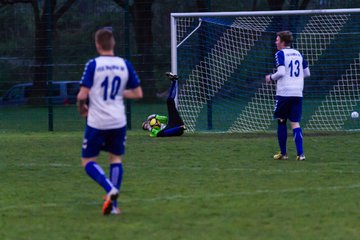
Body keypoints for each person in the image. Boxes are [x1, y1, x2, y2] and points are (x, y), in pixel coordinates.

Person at [77, 27, 143, 215]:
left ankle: (109, 189)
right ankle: (113, 206)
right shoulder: (124, 64)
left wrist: (82, 107)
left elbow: (83, 94)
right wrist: (119, 93)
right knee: (115, 158)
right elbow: (138, 94)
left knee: (88, 160)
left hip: (97, 121)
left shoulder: (93, 64)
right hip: (118, 120)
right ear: (113, 44)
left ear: (98, 45)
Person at [265, 31, 310, 161]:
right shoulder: (298, 53)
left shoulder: (280, 53)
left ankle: (283, 154)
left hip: (284, 93)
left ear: (283, 42)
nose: (276, 42)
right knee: (295, 123)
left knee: (281, 120)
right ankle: (301, 154)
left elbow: (281, 72)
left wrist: (270, 78)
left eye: (277, 40)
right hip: (297, 92)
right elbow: (307, 73)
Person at [142, 72, 185, 137]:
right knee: (160, 134)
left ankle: (174, 80)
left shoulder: (158, 122)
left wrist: (155, 116)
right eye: (145, 127)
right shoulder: (153, 131)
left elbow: (166, 119)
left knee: (169, 101)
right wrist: (150, 128)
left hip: (174, 123)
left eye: (146, 124)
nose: (147, 125)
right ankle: (180, 128)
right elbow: (153, 135)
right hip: (175, 130)